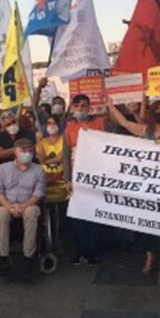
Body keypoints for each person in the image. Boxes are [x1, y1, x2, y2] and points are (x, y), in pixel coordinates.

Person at [107, 97, 160, 278]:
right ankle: (149, 257)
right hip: (146, 185)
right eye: (159, 109)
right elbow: (124, 122)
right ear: (153, 113)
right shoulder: (146, 131)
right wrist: (110, 105)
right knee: (147, 224)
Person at [63, 94, 107, 266]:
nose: (80, 109)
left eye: (83, 106)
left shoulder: (100, 123)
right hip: (76, 178)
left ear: (89, 107)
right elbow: (66, 155)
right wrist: (67, 179)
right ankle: (81, 251)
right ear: (73, 108)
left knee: (94, 216)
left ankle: (93, 252)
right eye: (77, 106)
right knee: (77, 216)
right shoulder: (69, 127)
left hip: (96, 177)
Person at [0, 138, 46, 273]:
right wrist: (9, 206)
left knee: (32, 212)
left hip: (28, 203)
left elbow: (38, 193)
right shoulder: (3, 168)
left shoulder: (39, 170)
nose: (26, 154)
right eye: (23, 151)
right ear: (15, 152)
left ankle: (28, 256)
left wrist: (23, 206)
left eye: (29, 151)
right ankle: (3, 256)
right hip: (8, 203)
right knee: (1, 214)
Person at [36, 115, 68, 253]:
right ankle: (47, 240)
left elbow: (62, 157)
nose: (51, 125)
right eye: (49, 123)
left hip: (62, 183)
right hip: (45, 183)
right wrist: (38, 142)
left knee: (62, 214)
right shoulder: (41, 141)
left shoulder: (64, 139)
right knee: (46, 214)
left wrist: (47, 161)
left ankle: (62, 240)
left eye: (54, 123)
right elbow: (41, 159)